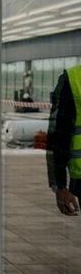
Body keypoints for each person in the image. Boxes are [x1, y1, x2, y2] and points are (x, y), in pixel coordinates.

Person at [47, 65, 81, 216]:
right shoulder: (73, 79)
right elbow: (59, 135)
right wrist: (59, 185)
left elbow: (58, 135)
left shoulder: (74, 78)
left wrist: (59, 186)